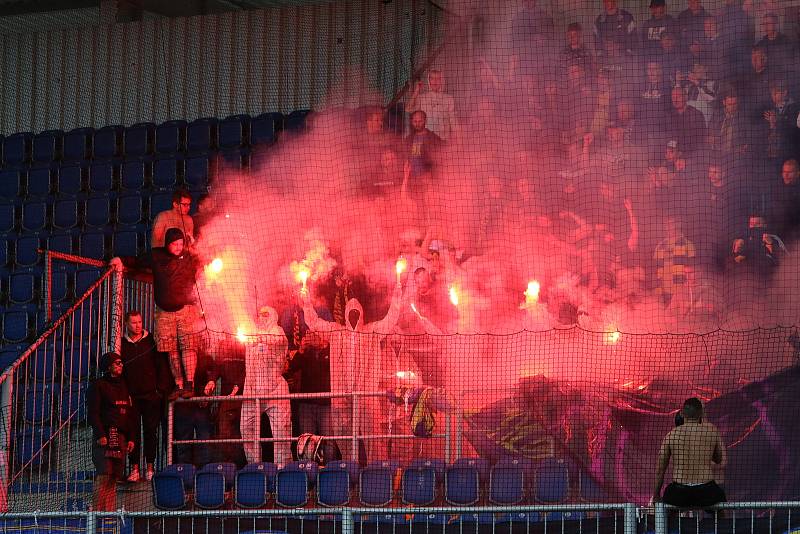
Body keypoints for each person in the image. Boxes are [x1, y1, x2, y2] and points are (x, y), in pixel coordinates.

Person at [301, 278, 404, 463]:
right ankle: (350, 468)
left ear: (361, 314)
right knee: (342, 433)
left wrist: (396, 299)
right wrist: (307, 303)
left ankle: (377, 470)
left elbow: (389, 321)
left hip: (365, 394)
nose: (354, 316)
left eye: (356, 313)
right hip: (342, 395)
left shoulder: (372, 331)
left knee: (372, 434)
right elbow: (314, 323)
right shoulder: (336, 332)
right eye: (351, 313)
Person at [111, 227, 204, 400]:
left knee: (188, 347)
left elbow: (205, 258)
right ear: (167, 243)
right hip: (164, 312)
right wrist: (120, 260)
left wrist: (194, 244)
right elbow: (137, 261)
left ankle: (190, 384)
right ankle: (179, 385)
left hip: (186, 310)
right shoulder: (156, 255)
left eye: (181, 243)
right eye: (174, 244)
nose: (178, 247)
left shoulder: (190, 257)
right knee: (171, 350)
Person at [120, 310, 172, 483]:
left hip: (152, 396)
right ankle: (134, 468)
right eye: (134, 322)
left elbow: (162, 368)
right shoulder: (121, 344)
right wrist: (125, 394)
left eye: (140, 322)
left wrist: (159, 391)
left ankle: (150, 467)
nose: (138, 325)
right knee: (132, 433)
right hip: (131, 398)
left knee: (151, 432)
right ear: (126, 323)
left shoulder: (151, 341)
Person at [240, 306, 292, 466]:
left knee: (281, 432)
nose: (261, 317)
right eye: (259, 315)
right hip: (252, 390)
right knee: (246, 429)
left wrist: (260, 338)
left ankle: (282, 469)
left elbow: (279, 341)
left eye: (265, 314)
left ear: (273, 316)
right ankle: (254, 466)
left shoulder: (278, 331)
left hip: (276, 390)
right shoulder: (252, 335)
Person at [652, 397, 727, 508]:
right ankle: (723, 525)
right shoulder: (710, 432)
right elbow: (718, 459)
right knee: (721, 511)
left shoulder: (671, 435)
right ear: (701, 414)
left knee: (666, 514)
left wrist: (656, 495)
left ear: (681, 414)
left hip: (679, 491)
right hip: (706, 490)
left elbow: (660, 470)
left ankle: (666, 525)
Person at [87, 352, 136, 511]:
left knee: (114, 477)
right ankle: (95, 513)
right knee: (104, 475)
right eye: (117, 363)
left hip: (120, 437)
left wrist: (131, 438)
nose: (121, 365)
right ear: (108, 367)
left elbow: (129, 414)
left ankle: (108, 513)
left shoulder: (125, 385)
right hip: (105, 437)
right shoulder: (98, 385)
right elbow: (93, 413)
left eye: (121, 363)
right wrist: (101, 434)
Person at [406, 70, 458, 142]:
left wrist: (458, 138)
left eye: (438, 78)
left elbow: (453, 120)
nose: (435, 81)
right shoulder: (422, 97)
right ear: (429, 81)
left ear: (442, 81)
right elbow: (408, 109)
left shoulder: (448, 99)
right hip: (426, 140)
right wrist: (416, 91)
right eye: (432, 78)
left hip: (443, 139)